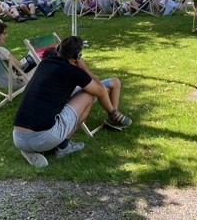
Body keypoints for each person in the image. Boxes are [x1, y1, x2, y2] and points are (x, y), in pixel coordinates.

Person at [12, 35, 132, 167]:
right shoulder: (73, 72)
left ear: (59, 49)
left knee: (84, 92)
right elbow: (100, 91)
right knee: (88, 95)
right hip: (42, 137)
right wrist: (85, 69)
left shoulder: (45, 63)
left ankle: (32, 149)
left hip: (18, 136)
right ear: (78, 56)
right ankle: (63, 146)